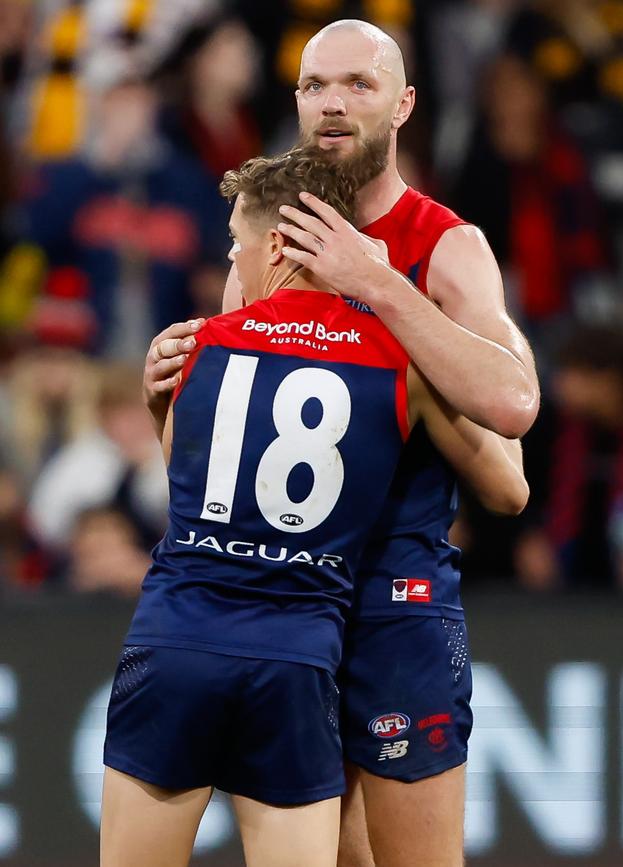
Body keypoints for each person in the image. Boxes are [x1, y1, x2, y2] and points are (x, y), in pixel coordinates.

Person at [143, 20, 540, 867]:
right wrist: (158, 401)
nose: (332, 103)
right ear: (294, 101)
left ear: (403, 105)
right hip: (275, 610)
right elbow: (204, 469)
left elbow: (510, 463)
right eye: (316, 84)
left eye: (358, 84)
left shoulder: (448, 246)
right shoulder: (265, 242)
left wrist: (374, 283)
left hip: (392, 606)